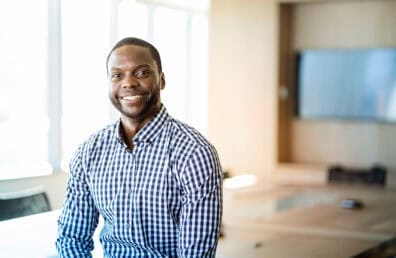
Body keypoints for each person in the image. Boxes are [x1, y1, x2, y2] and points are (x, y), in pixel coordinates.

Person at [56, 37, 223, 257]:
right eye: (117, 75)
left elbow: (195, 254)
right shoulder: (89, 153)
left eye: (142, 73)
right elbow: (72, 240)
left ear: (161, 80)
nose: (129, 83)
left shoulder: (194, 154)